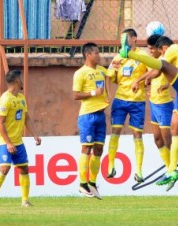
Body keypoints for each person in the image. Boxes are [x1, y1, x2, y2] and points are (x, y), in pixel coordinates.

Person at [119, 34, 178, 188]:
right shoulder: (173, 56)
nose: (153, 52)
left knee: (168, 139)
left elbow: (160, 69)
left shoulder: (172, 49)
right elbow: (163, 71)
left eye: (155, 49)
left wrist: (140, 73)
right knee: (174, 130)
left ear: (163, 48)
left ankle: (128, 52)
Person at [106, 28, 148, 183]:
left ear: (134, 39)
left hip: (138, 101)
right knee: (115, 130)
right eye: (121, 38)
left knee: (137, 134)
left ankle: (139, 171)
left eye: (125, 38)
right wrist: (109, 96)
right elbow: (109, 77)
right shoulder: (118, 57)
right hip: (120, 100)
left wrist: (140, 80)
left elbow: (152, 72)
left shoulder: (143, 56)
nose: (122, 41)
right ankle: (111, 166)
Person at [0, 69, 42, 207]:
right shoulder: (5, 99)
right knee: (5, 168)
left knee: (24, 169)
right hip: (4, 141)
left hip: (18, 141)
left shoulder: (21, 98)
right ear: (17, 81)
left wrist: (35, 134)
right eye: (21, 79)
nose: (22, 81)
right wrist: (8, 143)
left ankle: (25, 201)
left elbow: (26, 118)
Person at [73, 42, 110, 199]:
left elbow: (114, 74)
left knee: (99, 150)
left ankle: (92, 183)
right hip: (87, 116)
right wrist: (94, 93)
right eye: (96, 53)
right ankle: (82, 184)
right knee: (86, 148)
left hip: (101, 115)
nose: (99, 55)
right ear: (88, 55)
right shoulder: (80, 73)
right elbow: (75, 95)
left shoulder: (102, 70)